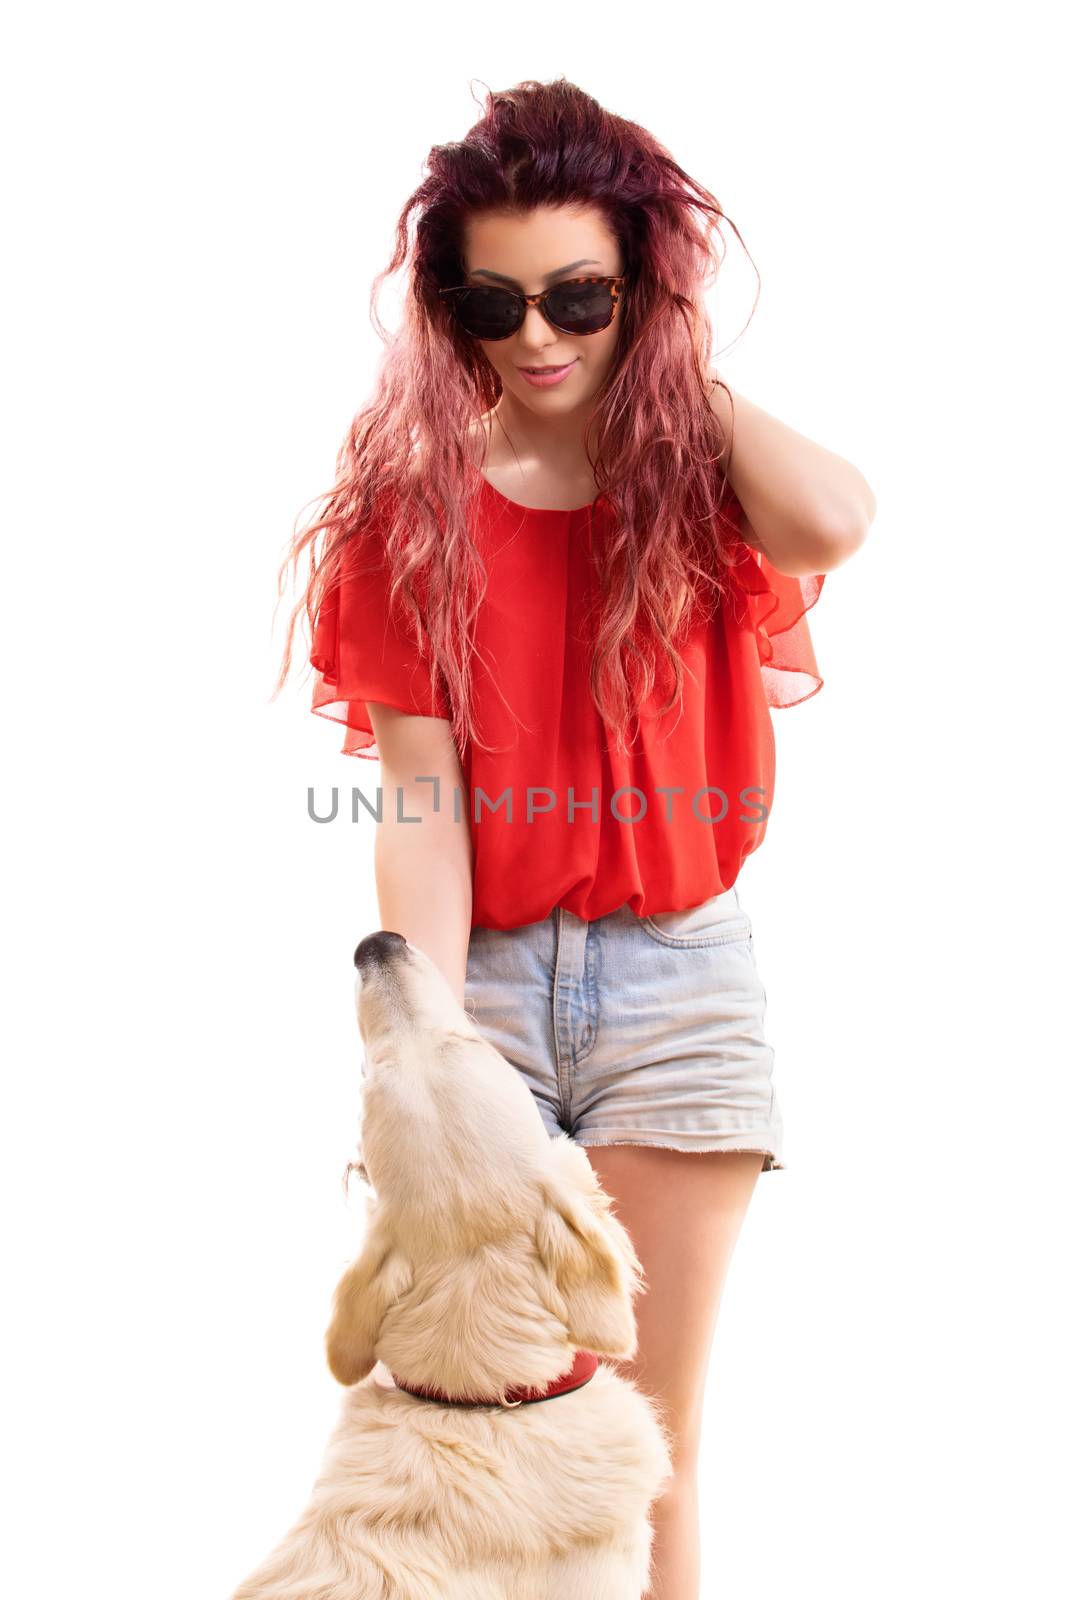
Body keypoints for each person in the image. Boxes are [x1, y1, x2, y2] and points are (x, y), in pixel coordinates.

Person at [274, 77, 874, 1600]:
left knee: (645, 1453)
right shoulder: (409, 515)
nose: (536, 336)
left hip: (678, 984)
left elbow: (835, 519)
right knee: (444, 1453)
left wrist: (686, 382)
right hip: (483, 999)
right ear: (448, 309)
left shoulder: (697, 475)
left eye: (581, 296)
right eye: (494, 301)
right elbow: (417, 806)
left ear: (642, 286)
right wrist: (421, 1047)